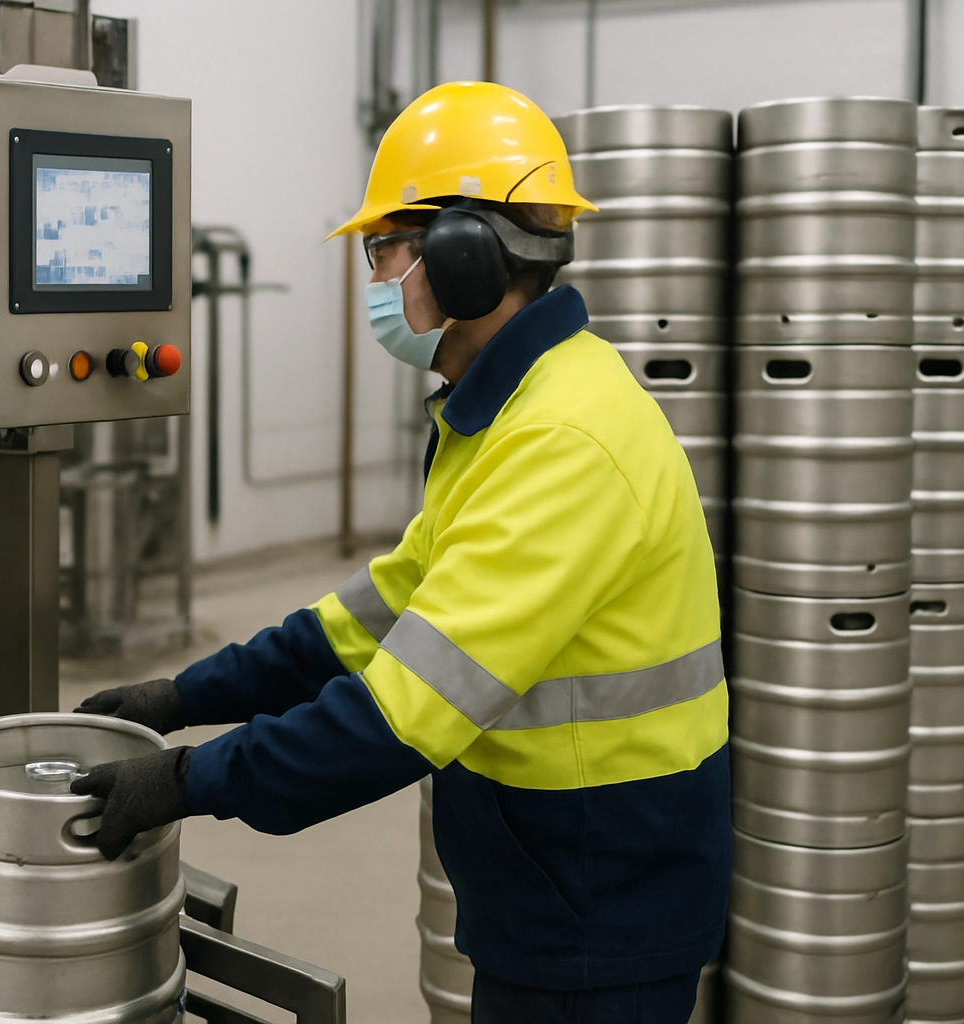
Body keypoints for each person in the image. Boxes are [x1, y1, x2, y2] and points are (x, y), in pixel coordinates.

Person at [71, 81, 730, 1024]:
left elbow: (395, 717)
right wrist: (184, 696)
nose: (377, 277)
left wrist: (184, 780)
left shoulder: (561, 440)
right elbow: (362, 623)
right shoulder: (511, 409)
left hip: (603, 898)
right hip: (558, 877)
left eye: (386, 250)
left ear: (465, 258)